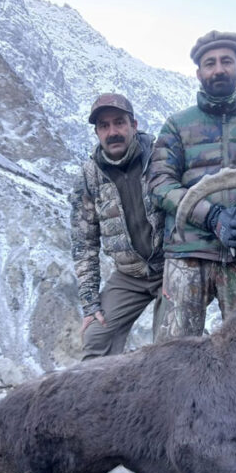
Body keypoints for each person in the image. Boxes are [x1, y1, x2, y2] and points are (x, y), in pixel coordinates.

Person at [148, 30, 236, 341]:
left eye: (227, 61)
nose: (219, 69)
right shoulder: (176, 125)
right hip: (186, 253)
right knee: (173, 351)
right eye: (210, 63)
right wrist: (212, 217)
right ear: (199, 73)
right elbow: (159, 183)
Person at [70, 93, 165, 360]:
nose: (113, 132)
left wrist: (183, 271)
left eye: (119, 122)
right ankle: (98, 400)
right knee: (95, 337)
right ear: (97, 132)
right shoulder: (89, 177)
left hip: (170, 267)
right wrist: (90, 305)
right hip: (128, 276)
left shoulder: (160, 159)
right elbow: (84, 244)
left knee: (171, 340)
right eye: (104, 125)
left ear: (134, 125)